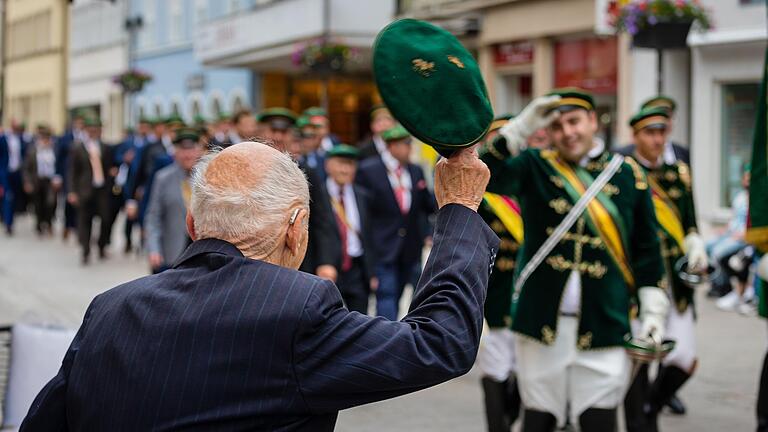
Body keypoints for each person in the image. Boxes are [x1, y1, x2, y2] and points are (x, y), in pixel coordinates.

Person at [20, 140, 498, 431]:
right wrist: (458, 208)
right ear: (297, 230)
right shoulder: (298, 309)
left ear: (192, 224)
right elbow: (439, 343)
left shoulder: (109, 308)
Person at [480, 89, 669, 431]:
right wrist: (521, 127)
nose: (567, 133)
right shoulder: (535, 165)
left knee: (599, 420)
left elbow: (647, 250)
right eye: (556, 125)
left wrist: (653, 310)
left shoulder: (627, 174)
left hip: (605, 323)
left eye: (574, 121)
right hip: (540, 323)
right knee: (538, 418)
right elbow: (485, 174)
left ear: (593, 121)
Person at [622, 107, 708, 431]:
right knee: (640, 362)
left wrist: (696, 247)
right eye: (650, 133)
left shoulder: (679, 174)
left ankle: (651, 407)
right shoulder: (623, 175)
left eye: (662, 132)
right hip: (639, 282)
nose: (658, 139)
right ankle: (640, 423)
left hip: (675, 283)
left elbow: (690, 224)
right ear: (635, 136)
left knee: (684, 359)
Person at [356, 124, 437, 320]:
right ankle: (386, 339)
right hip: (382, 246)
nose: (410, 149)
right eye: (406, 144)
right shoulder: (369, 170)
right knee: (386, 295)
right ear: (391, 146)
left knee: (400, 293)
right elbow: (362, 210)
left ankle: (388, 332)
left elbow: (428, 205)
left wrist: (430, 231)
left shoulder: (415, 171)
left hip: (409, 248)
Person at [321, 144, 377, 313]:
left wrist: (372, 272)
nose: (345, 170)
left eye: (350, 165)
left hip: (357, 269)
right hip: (329, 269)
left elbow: (369, 235)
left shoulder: (363, 195)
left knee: (360, 319)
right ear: (328, 165)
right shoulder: (318, 194)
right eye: (340, 163)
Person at [145, 128, 205, 273]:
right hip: (171, 253)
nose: (187, 155)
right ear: (175, 153)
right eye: (183, 150)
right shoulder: (163, 178)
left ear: (199, 151)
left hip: (201, 253)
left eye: (191, 150)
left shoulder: (207, 177)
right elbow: (153, 217)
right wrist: (154, 250)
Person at [67, 118, 115, 265]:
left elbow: (109, 166)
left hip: (102, 190)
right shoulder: (78, 148)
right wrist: (72, 191)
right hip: (85, 190)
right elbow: (72, 171)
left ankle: (101, 245)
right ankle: (86, 250)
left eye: (96, 129)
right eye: (91, 129)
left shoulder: (105, 147)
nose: (94, 132)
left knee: (106, 219)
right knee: (85, 221)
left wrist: (112, 173)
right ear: (86, 131)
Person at [617, 95, 690, 165]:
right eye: (650, 132)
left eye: (668, 117)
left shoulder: (683, 153)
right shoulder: (621, 157)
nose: (658, 140)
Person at [22, 125, 61, 236]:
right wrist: (27, 182)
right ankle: (39, 224)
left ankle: (48, 223)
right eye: (42, 138)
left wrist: (58, 178)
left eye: (47, 138)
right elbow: (26, 168)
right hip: (37, 180)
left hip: (51, 181)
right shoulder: (33, 150)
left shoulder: (55, 149)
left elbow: (60, 165)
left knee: (51, 203)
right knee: (38, 204)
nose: (45, 140)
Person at [57, 114, 87, 240]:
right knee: (68, 202)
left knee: (81, 204)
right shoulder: (66, 138)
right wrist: (58, 175)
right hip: (68, 175)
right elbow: (59, 158)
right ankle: (67, 225)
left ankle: (77, 227)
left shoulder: (86, 138)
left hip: (83, 177)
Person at [0, 120, 31, 235]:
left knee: (15, 198)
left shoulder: (21, 139)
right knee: (8, 196)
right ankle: (8, 223)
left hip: (17, 173)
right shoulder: (3, 139)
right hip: (6, 172)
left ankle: (10, 218)